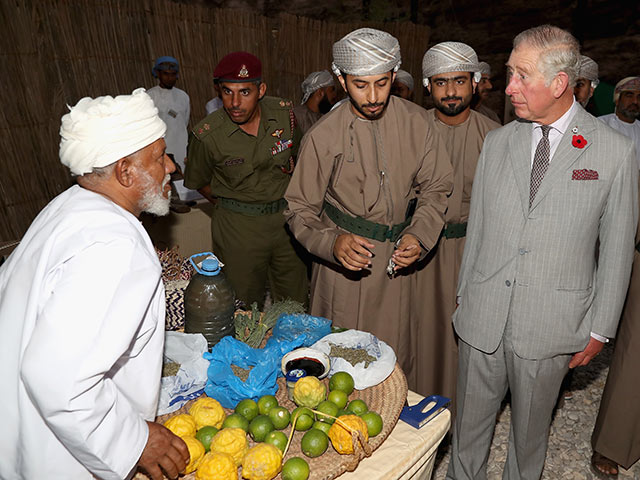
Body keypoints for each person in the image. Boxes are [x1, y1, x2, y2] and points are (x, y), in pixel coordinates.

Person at [446, 25, 638, 480]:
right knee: (467, 427)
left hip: (551, 321)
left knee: (530, 435)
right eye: (510, 74)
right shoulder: (498, 142)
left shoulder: (613, 151)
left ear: (558, 84)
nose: (508, 87)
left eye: (521, 76)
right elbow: (480, 228)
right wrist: (463, 294)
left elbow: (617, 246)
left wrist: (601, 328)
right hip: (483, 312)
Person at [0, 88, 189, 480]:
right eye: (159, 157)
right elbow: (58, 379)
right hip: (60, 456)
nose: (170, 166)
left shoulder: (69, 206)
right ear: (125, 171)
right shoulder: (114, 246)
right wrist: (135, 440)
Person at [284, 28, 453, 376]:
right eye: (361, 85)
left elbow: (436, 188)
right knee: (343, 369)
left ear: (394, 75)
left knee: (395, 362)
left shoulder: (418, 124)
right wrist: (332, 243)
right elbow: (298, 210)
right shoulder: (322, 136)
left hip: (399, 269)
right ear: (342, 81)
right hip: (344, 274)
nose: (374, 96)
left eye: (382, 82)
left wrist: (419, 235)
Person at [408, 42, 500, 406]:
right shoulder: (412, 129)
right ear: (427, 86)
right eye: (441, 82)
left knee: (465, 336)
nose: (450, 92)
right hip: (418, 249)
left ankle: (461, 412)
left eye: (459, 81)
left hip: (472, 252)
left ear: (475, 83)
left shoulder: (495, 137)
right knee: (417, 331)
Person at [185, 51, 309, 309]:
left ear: (260, 89)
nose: (234, 102)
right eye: (227, 92)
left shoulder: (285, 116)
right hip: (238, 228)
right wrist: (235, 206)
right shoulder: (207, 135)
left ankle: (298, 350)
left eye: (244, 92)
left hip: (287, 223)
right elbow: (199, 180)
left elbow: (300, 159)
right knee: (242, 305)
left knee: (295, 301)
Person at [147, 56, 200, 205]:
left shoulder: (183, 96)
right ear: (157, 73)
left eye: (172, 74)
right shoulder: (150, 96)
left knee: (183, 170)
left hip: (180, 141)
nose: (169, 77)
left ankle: (184, 198)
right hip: (161, 143)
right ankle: (167, 201)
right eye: (165, 73)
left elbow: (185, 120)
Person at [599, 77, 640, 169]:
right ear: (617, 100)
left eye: (639, 97)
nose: (635, 101)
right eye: (629, 95)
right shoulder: (600, 125)